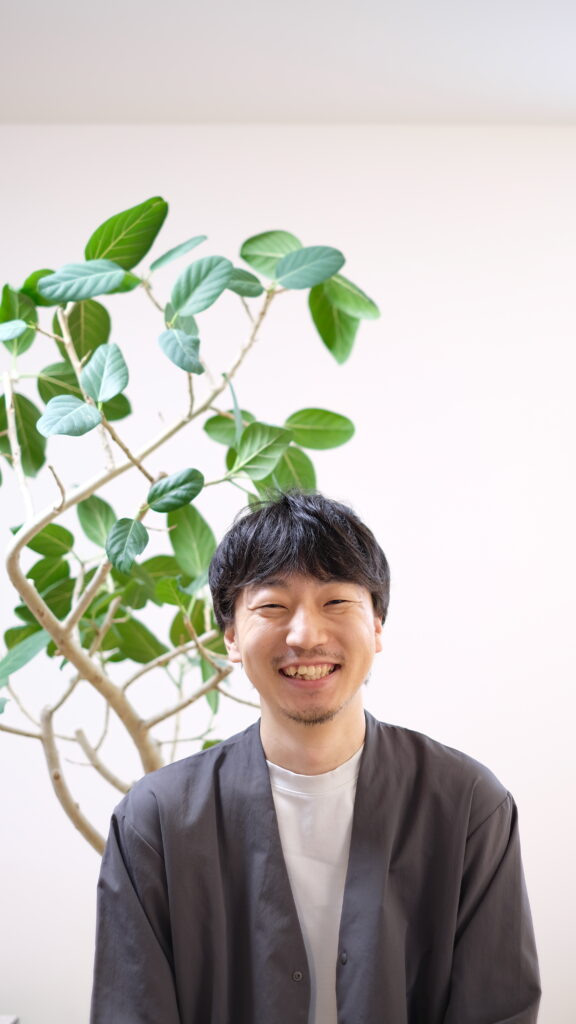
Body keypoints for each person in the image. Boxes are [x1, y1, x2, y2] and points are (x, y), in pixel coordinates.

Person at [90, 491, 541, 1023]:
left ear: (377, 626)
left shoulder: (468, 806)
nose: (306, 635)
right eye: (272, 607)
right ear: (231, 636)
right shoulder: (155, 821)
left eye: (336, 603)